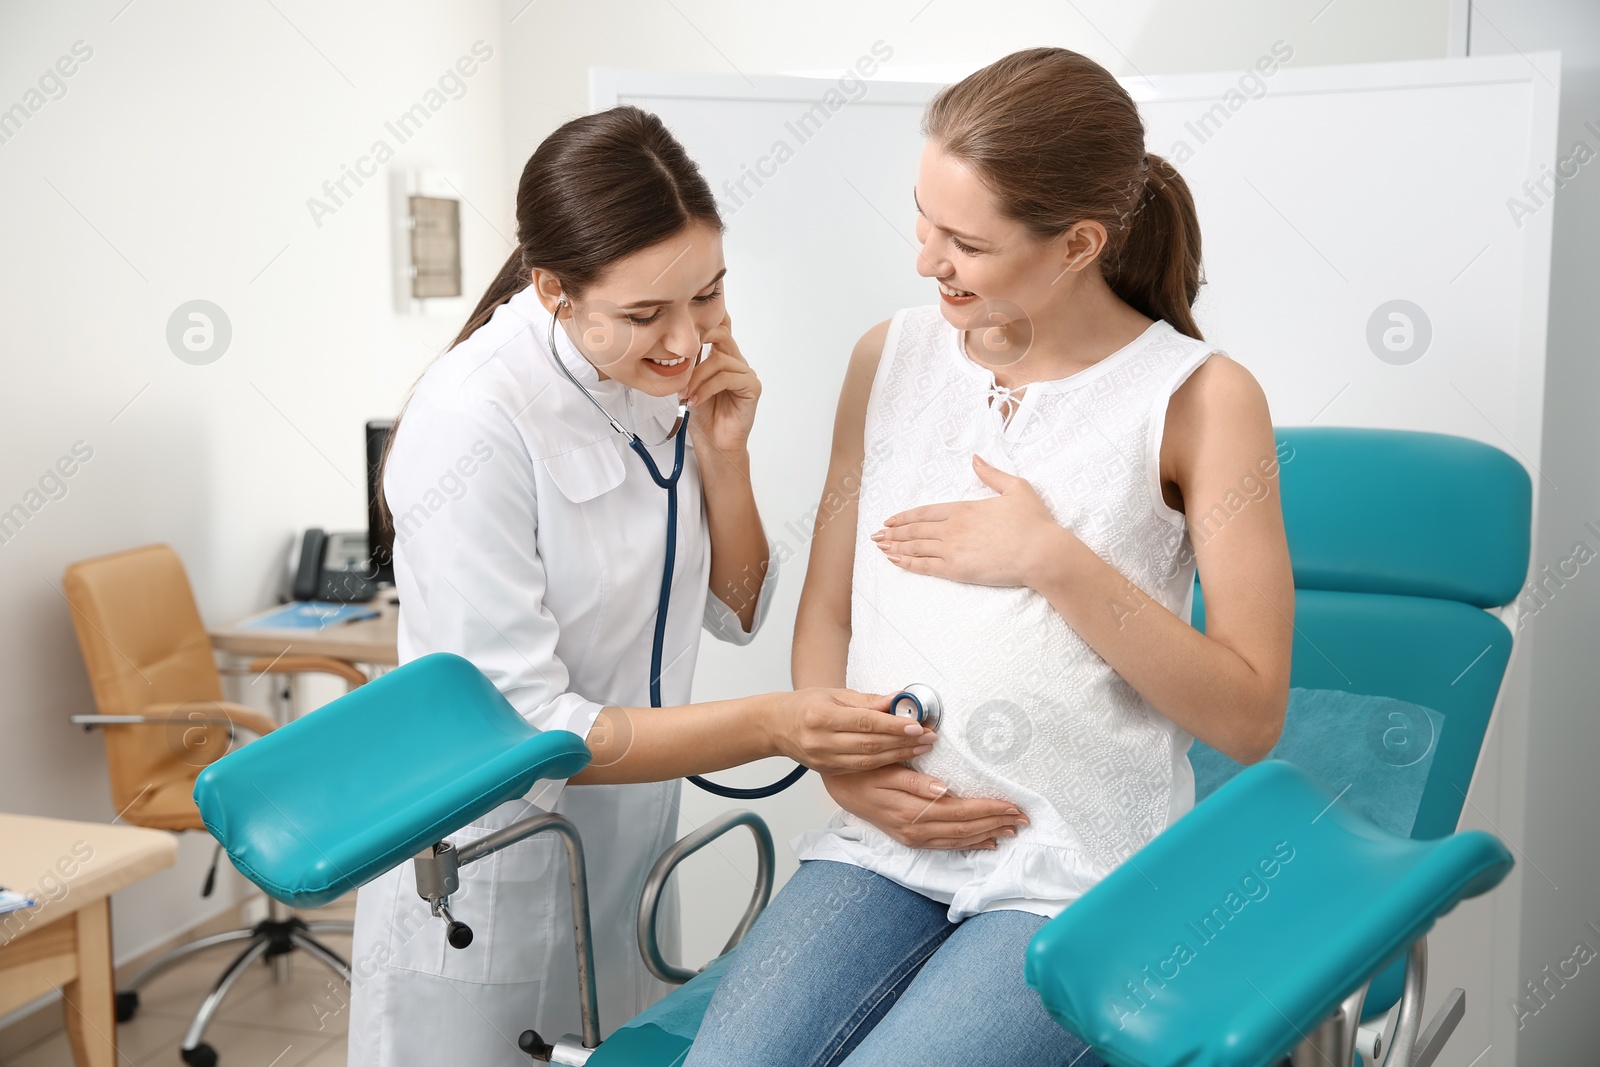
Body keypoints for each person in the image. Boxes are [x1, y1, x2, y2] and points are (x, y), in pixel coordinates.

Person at [685, 48, 1295, 1066]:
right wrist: (837, 765)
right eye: (922, 219)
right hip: (886, 842)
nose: (926, 259)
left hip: (1080, 870)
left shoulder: (1197, 398)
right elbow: (829, 607)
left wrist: (1051, 558)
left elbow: (1249, 711)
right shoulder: (889, 356)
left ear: (1078, 244)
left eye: (964, 240)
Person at [347, 106, 936, 1067]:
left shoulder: (657, 386)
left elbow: (737, 607)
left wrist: (724, 455)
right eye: (643, 315)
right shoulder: (474, 422)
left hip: (619, 847)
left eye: (707, 295)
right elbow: (532, 730)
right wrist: (778, 723)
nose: (684, 338)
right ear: (553, 291)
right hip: (489, 870)